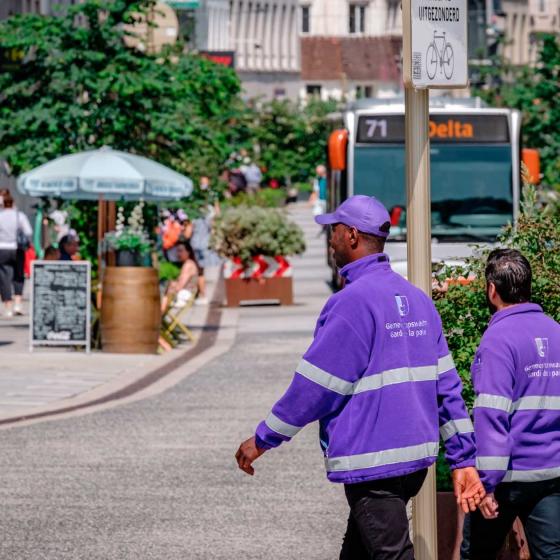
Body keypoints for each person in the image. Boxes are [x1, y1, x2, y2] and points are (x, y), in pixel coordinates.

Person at [235, 195, 485, 559]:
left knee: (391, 553)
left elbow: (315, 387)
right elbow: (446, 387)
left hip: (373, 463)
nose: (330, 240)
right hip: (412, 461)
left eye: (334, 231)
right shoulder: (417, 300)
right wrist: (463, 458)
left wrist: (263, 438)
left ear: (351, 235)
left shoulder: (351, 303)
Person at [464, 249, 560, 560]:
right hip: (551, 473)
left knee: (476, 553)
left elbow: (491, 417)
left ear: (492, 289)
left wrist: (486, 486)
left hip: (507, 479)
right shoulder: (555, 331)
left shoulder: (498, 339)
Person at [0, 190, 33, 317]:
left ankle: (8, 305)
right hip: (17, 248)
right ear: (13, 203)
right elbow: (28, 232)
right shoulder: (19, 216)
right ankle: (18, 303)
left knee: (4, 277)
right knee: (18, 275)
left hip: (2, 248)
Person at [161, 240, 198, 312]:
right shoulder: (188, 264)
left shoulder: (188, 265)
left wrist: (170, 286)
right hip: (184, 295)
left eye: (181, 251)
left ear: (188, 252)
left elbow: (179, 287)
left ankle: (158, 319)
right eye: (177, 251)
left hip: (183, 297)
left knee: (160, 298)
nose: (178, 254)